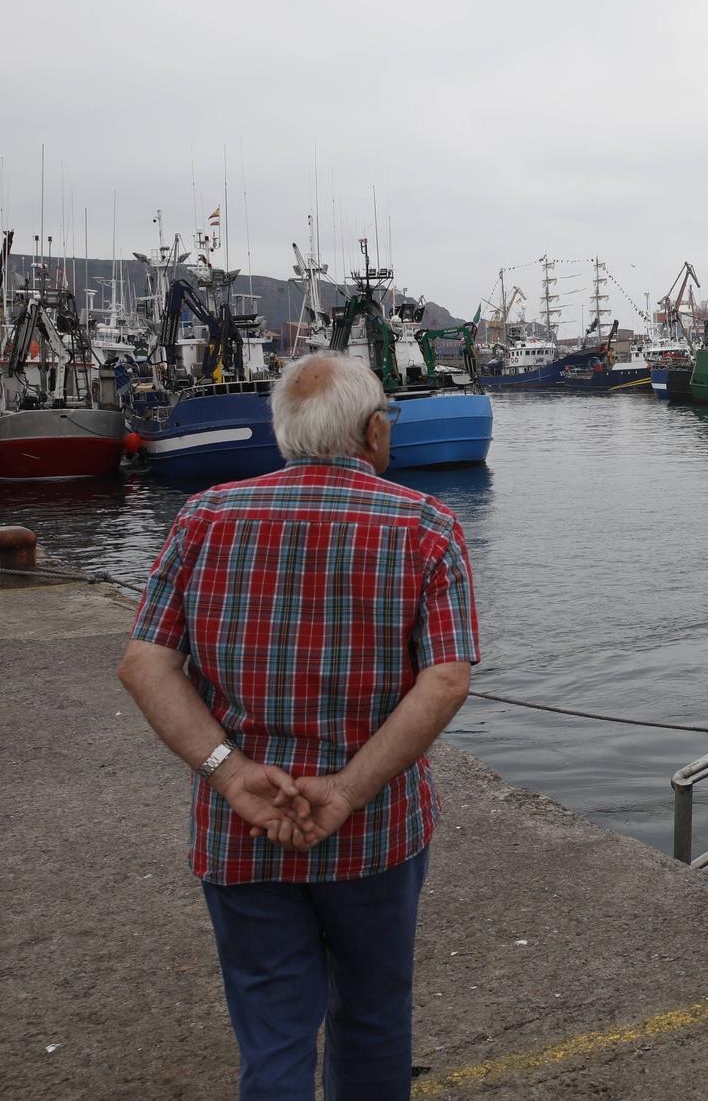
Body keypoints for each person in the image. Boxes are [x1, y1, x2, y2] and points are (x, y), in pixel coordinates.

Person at [118, 352, 478, 1100]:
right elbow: (445, 679)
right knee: (374, 1016)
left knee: (273, 1034)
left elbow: (145, 665)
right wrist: (344, 791)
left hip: (241, 829)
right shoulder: (427, 527)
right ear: (374, 430)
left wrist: (231, 770)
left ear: (285, 435)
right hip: (375, 828)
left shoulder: (204, 517)